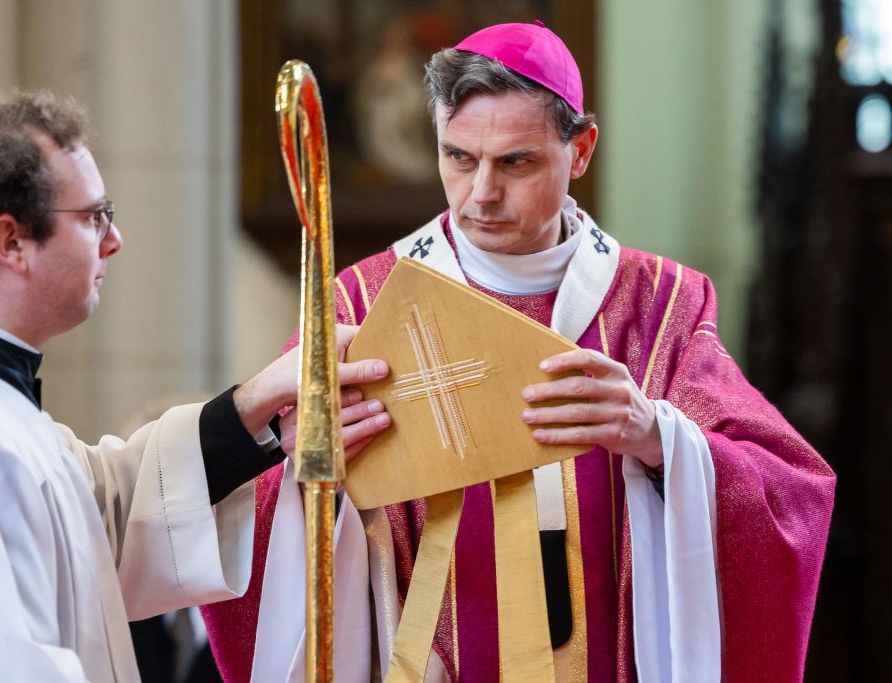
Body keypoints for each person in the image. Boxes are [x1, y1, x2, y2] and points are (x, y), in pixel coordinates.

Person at [201, 21, 836, 682]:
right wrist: (310, 467)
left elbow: (789, 494)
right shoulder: (360, 305)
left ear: (581, 149)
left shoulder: (659, 303)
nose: (482, 194)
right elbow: (249, 500)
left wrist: (658, 438)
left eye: (516, 161)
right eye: (458, 157)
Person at [0, 90, 391, 682]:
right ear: (10, 241)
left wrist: (253, 411)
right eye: (93, 217)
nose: (113, 241)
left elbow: (102, 525)